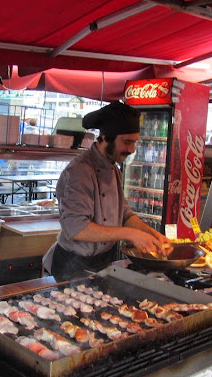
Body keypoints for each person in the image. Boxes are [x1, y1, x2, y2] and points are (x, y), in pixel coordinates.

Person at [44, 101, 170, 281]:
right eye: (127, 142)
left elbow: (125, 215)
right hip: (73, 264)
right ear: (106, 137)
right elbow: (78, 229)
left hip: (102, 262)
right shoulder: (80, 172)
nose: (132, 149)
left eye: (134, 142)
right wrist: (131, 234)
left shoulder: (114, 170)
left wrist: (152, 234)